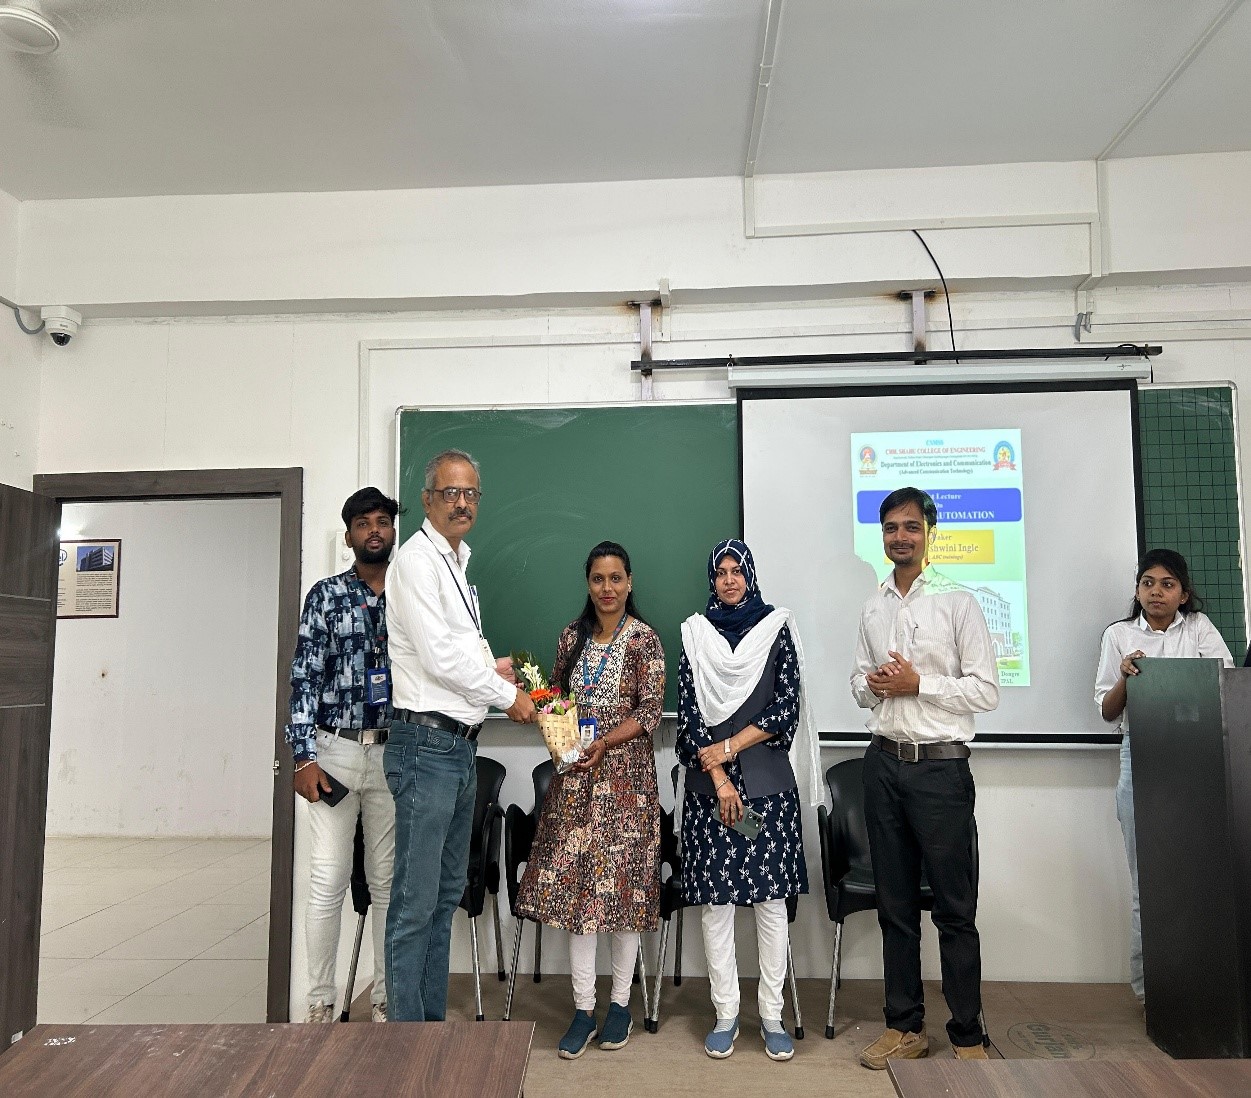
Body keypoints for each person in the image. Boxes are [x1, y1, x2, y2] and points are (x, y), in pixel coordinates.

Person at [384, 449, 537, 1022]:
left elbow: (452, 653)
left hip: (458, 748)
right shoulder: (417, 562)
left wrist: (492, 670)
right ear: (427, 501)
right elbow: (439, 657)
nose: (462, 503)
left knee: (446, 895)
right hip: (426, 749)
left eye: (471, 493)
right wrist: (506, 696)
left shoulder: (455, 562)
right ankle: (405, 1042)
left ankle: (429, 1027)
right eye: (450, 492)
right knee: (414, 904)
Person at [850, 486, 999, 1068]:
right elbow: (857, 685)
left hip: (940, 769)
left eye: (911, 527)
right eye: (891, 527)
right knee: (895, 906)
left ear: (929, 533)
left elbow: (985, 691)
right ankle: (904, 1027)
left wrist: (919, 684)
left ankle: (967, 1035)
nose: (900, 537)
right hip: (883, 764)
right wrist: (875, 685)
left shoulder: (959, 601)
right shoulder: (873, 606)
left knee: (955, 910)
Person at [514, 541, 665, 1059]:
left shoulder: (644, 640)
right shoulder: (570, 637)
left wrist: (605, 742)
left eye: (616, 578)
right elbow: (556, 700)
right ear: (588, 583)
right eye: (598, 578)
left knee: (622, 899)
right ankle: (582, 1009)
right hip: (575, 787)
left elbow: (650, 712)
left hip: (627, 789)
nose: (607, 588)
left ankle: (620, 1005)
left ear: (629, 582)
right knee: (580, 899)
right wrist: (557, 733)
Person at [676, 539, 822, 1062]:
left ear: (751, 575)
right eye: (721, 572)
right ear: (712, 580)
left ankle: (772, 1016)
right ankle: (725, 1013)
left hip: (767, 786)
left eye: (737, 571)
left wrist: (730, 748)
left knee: (770, 903)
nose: (729, 580)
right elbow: (688, 720)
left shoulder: (776, 628)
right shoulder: (695, 634)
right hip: (710, 791)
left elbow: (786, 708)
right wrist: (719, 776)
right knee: (716, 905)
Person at [1094, 548, 1232, 1005]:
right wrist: (1126, 678)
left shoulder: (1199, 629)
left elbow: (1225, 686)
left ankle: (1199, 983)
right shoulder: (1118, 635)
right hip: (1140, 751)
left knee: (1198, 877)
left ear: (1183, 594)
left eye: (1167, 584)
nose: (1156, 592)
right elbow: (1107, 711)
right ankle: (1150, 992)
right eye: (1148, 583)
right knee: (1146, 883)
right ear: (1137, 590)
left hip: (1196, 754)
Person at [286, 486, 399, 1024]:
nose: (374, 530)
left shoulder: (411, 593)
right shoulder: (325, 596)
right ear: (350, 535)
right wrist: (302, 757)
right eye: (363, 523)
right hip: (334, 752)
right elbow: (303, 679)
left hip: (394, 753)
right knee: (328, 879)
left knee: (386, 882)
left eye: (382, 521)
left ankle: (383, 999)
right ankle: (319, 1001)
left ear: (393, 530)